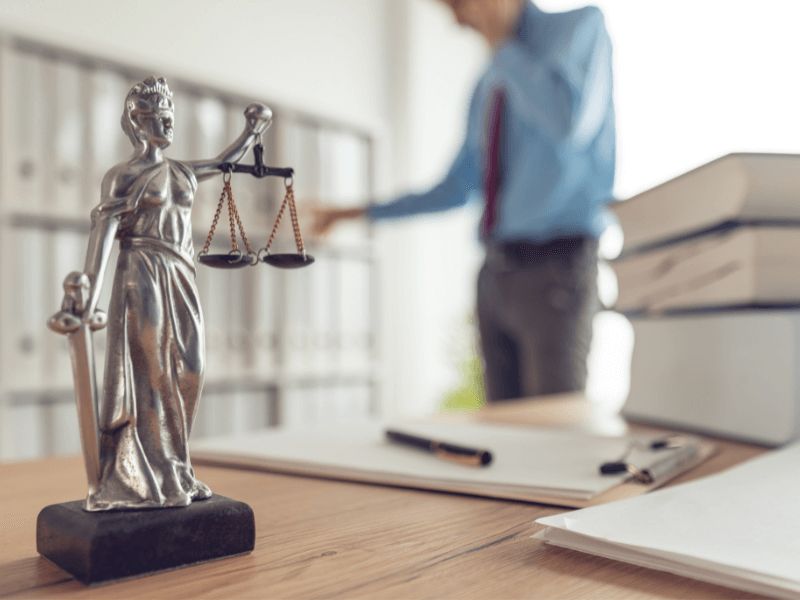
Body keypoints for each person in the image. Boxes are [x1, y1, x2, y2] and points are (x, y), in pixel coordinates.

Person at [311, 0, 615, 402]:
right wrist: (352, 213)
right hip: (495, 271)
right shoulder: (490, 80)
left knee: (552, 426)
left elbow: (567, 122)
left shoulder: (579, 29)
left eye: (457, 4)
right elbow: (458, 187)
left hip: (556, 268)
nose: (456, 21)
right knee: (502, 428)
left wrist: (502, 46)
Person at [73, 77, 270, 510]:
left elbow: (223, 162)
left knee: (190, 367)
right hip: (140, 269)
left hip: (181, 272)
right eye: (157, 116)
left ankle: (178, 465)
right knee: (151, 369)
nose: (166, 123)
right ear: (136, 122)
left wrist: (253, 131)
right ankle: (150, 476)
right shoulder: (122, 177)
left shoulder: (181, 170)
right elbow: (104, 230)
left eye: (170, 117)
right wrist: (90, 288)